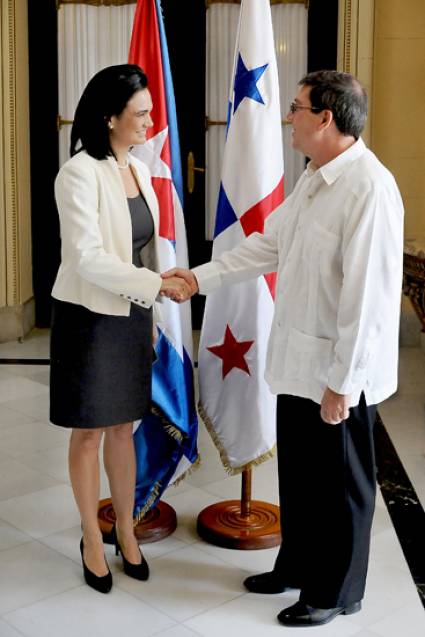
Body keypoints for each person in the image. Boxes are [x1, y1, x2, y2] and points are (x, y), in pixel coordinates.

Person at [161, 70, 404, 626]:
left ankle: (337, 591)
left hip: (337, 375)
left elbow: (368, 300)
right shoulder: (316, 176)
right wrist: (199, 278)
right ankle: (295, 565)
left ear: (326, 118)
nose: (287, 117)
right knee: (300, 477)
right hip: (297, 364)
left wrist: (343, 382)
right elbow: (266, 246)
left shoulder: (369, 187)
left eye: (295, 108)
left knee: (341, 487)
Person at [50, 64, 189, 594]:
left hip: (131, 313)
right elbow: (85, 257)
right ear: (109, 117)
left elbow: (143, 246)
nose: (150, 122)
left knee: (123, 427)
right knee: (88, 432)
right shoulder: (79, 172)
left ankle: (125, 530)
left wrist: (153, 305)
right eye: (141, 114)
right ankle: (91, 537)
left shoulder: (135, 165)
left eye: (150, 112)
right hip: (88, 316)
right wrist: (156, 285)